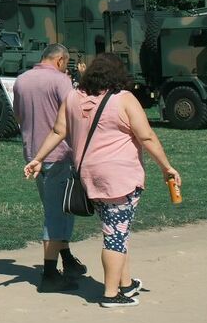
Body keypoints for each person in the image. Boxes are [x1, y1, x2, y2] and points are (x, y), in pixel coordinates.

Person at [25, 53, 181, 308]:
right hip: (119, 178)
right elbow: (147, 137)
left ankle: (126, 284)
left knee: (117, 230)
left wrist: (38, 158)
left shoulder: (73, 97)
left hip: (89, 176)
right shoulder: (124, 99)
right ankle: (111, 294)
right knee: (115, 237)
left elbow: (57, 131)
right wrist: (167, 167)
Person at [13, 43, 86, 291]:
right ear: (60, 60)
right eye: (66, 63)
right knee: (57, 214)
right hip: (59, 154)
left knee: (58, 209)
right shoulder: (60, 81)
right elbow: (75, 116)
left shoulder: (21, 80)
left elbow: (18, 116)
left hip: (33, 153)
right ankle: (50, 274)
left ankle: (67, 260)